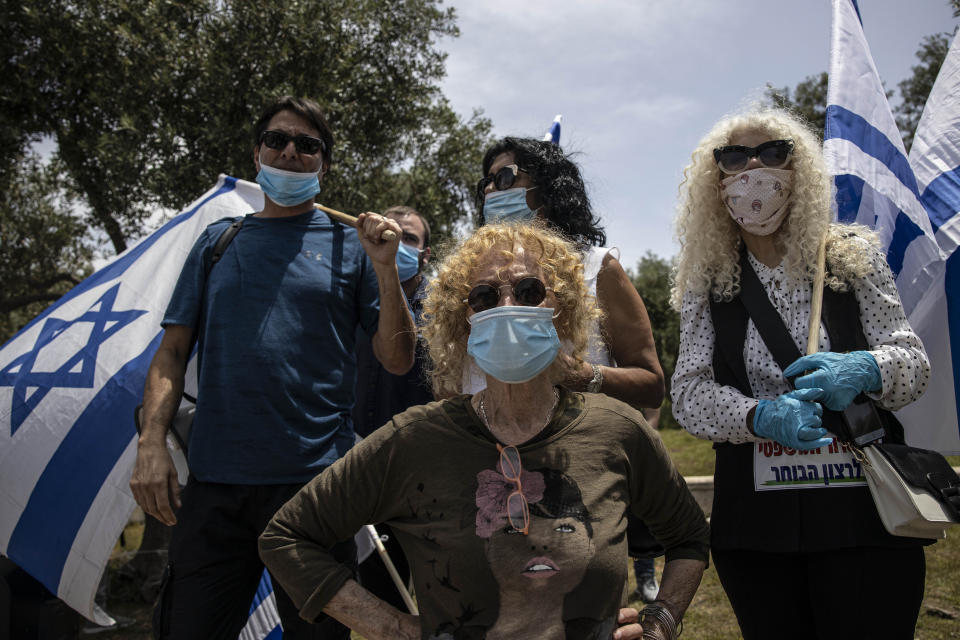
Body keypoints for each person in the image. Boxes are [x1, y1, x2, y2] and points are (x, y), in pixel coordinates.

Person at [259, 223, 709, 640]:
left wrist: (663, 620)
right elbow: (286, 537)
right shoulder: (415, 439)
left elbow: (689, 538)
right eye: (485, 296)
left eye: (530, 289)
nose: (508, 305)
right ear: (461, 323)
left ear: (565, 309)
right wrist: (392, 627)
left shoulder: (617, 429)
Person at [129, 95, 416, 640]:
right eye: (277, 140)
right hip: (214, 487)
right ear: (256, 152)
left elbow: (397, 358)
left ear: (323, 166)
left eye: (307, 145)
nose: (290, 152)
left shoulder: (351, 249)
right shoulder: (218, 242)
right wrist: (151, 444)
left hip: (316, 490)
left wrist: (384, 270)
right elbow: (170, 353)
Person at [670, 107, 932, 639]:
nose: (753, 168)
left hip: (864, 514)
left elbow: (913, 364)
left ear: (800, 170)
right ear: (715, 181)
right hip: (757, 527)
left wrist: (865, 368)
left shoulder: (852, 257)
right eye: (734, 157)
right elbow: (688, 395)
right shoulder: (708, 279)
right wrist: (758, 415)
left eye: (772, 152)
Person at [474, 137, 666, 601]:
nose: (491, 191)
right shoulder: (475, 275)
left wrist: (585, 377)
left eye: (505, 177)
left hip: (582, 482)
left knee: (582, 609)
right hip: (489, 474)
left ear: (548, 188)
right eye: (485, 182)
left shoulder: (597, 269)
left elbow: (652, 385)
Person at [352, 204, 433, 610]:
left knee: (447, 600)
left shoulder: (448, 308)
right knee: (386, 603)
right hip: (366, 476)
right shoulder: (354, 300)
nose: (396, 242)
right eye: (389, 233)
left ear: (425, 254)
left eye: (410, 238)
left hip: (432, 480)